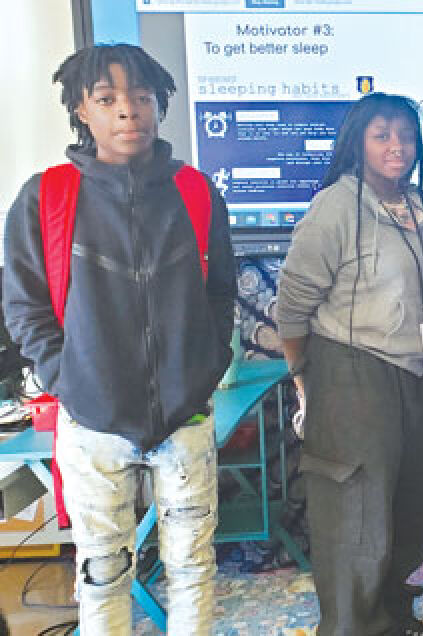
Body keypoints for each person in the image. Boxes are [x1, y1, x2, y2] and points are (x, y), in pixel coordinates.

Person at [3, 44, 236, 634]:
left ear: (159, 104)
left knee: (192, 568)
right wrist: (68, 381)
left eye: (140, 97)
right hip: (92, 426)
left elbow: (222, 292)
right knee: (102, 572)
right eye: (107, 100)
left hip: (185, 420)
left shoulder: (197, 191)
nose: (128, 112)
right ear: (82, 109)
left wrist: (206, 367)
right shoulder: (46, 196)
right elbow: (24, 306)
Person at [275, 93, 423, 636]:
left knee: (413, 504)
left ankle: (393, 616)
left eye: (406, 135)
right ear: (358, 142)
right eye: (383, 135)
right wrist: (308, 379)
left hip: (417, 373)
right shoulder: (335, 206)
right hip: (353, 373)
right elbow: (292, 307)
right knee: (358, 518)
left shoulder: (415, 202)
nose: (398, 146)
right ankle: (354, 626)